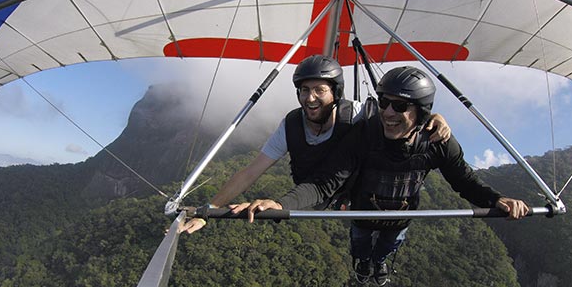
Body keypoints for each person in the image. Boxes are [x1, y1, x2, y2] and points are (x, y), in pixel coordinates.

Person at [236, 66, 530, 286]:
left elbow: (464, 181)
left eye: (399, 106)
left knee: (387, 247)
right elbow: (324, 184)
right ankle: (363, 262)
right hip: (363, 214)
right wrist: (281, 204)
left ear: (422, 111)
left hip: (399, 218)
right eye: (384, 102)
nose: (388, 112)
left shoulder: (437, 143)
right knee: (361, 247)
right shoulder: (364, 134)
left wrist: (497, 199)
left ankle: (379, 262)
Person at [181, 56, 451, 234]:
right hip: (313, 193)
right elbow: (250, 172)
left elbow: (397, 116)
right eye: (304, 90)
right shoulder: (291, 126)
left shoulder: (357, 113)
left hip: (351, 191)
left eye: (319, 90)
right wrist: (210, 210)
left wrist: (433, 117)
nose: (310, 98)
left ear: (335, 93)